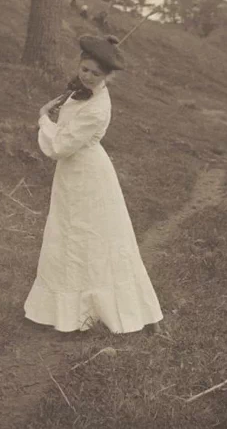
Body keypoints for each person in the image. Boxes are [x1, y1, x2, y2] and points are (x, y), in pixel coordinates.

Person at [24, 34, 164, 334]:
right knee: (67, 233)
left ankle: (96, 310)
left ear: (107, 78)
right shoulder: (80, 92)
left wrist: (44, 121)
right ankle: (62, 310)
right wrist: (58, 108)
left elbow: (61, 146)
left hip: (87, 174)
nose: (86, 76)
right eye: (84, 69)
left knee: (89, 236)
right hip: (72, 173)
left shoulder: (98, 107)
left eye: (95, 74)